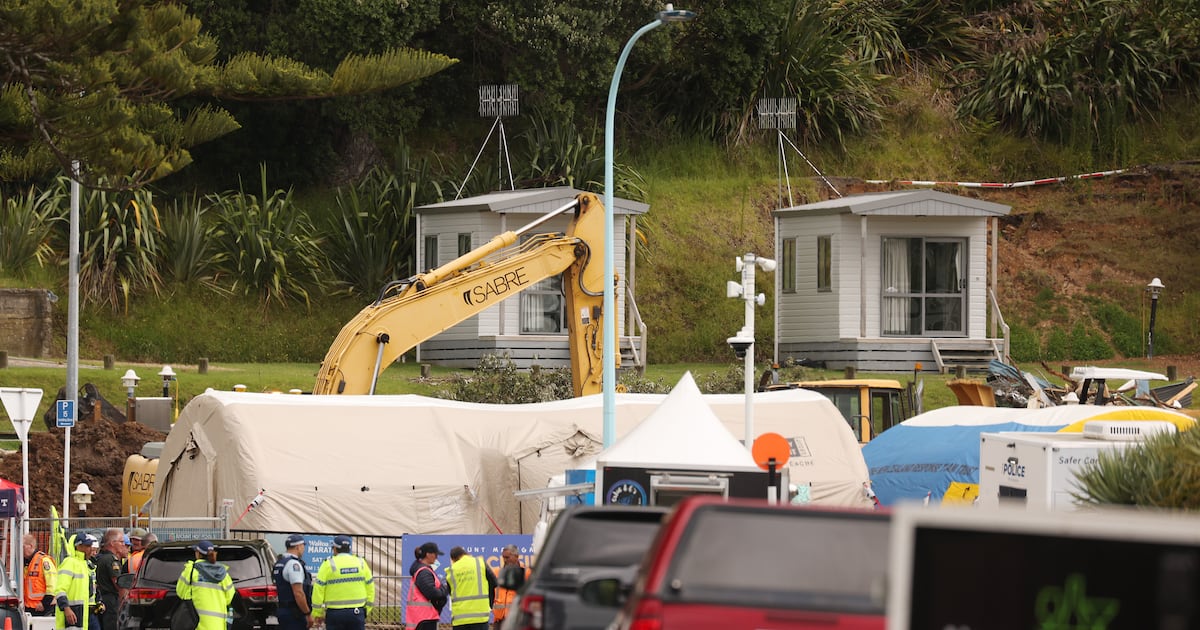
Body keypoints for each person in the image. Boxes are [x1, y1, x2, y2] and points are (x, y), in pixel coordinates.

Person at [312, 535, 373, 630]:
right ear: (349, 548)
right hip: (357, 612)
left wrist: (317, 613)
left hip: (335, 614)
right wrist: (367, 609)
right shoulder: (361, 562)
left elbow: (318, 589)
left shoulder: (328, 564)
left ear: (335, 548)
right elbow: (370, 587)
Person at [176, 540, 234, 630]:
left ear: (198, 554)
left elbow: (181, 592)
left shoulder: (191, 571)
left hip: (197, 624)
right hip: (218, 625)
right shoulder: (223, 574)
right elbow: (229, 597)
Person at [444, 546, 496, 630]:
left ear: (453, 559)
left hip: (459, 618)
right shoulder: (480, 563)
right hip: (480, 616)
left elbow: (450, 592)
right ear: (466, 554)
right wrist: (490, 603)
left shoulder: (451, 569)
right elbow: (494, 582)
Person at [55, 533, 99, 630]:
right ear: (79, 546)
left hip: (81, 613)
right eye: (87, 546)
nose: (90, 549)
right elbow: (60, 590)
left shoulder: (84, 564)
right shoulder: (69, 563)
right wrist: (66, 609)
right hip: (71, 614)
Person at [272, 534, 314, 630]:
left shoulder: (280, 563)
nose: (304, 549)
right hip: (294, 613)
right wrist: (307, 613)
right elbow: (298, 593)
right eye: (303, 546)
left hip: (283, 610)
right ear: (298, 547)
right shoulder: (294, 564)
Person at [405, 542, 447, 630]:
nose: (437, 557)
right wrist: (445, 589)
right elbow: (433, 593)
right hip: (424, 618)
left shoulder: (422, 570)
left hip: (423, 617)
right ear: (428, 555)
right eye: (435, 554)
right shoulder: (424, 572)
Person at [94, 528, 127, 630]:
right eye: (121, 542)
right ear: (112, 543)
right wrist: (124, 601)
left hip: (101, 599)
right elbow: (118, 583)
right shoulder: (111, 560)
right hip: (111, 601)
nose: (123, 545)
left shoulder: (100, 557)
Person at [491, 545, 528, 626]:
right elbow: (490, 593)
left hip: (517, 620)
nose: (504, 560)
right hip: (499, 620)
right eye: (503, 557)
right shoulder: (497, 572)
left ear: (516, 556)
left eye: (507, 557)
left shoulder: (526, 573)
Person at [24, 535, 57, 616]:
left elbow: (52, 585)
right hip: (29, 608)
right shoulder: (27, 563)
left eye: (23, 546)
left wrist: (44, 603)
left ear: (30, 546)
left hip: (42, 608)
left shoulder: (44, 561)